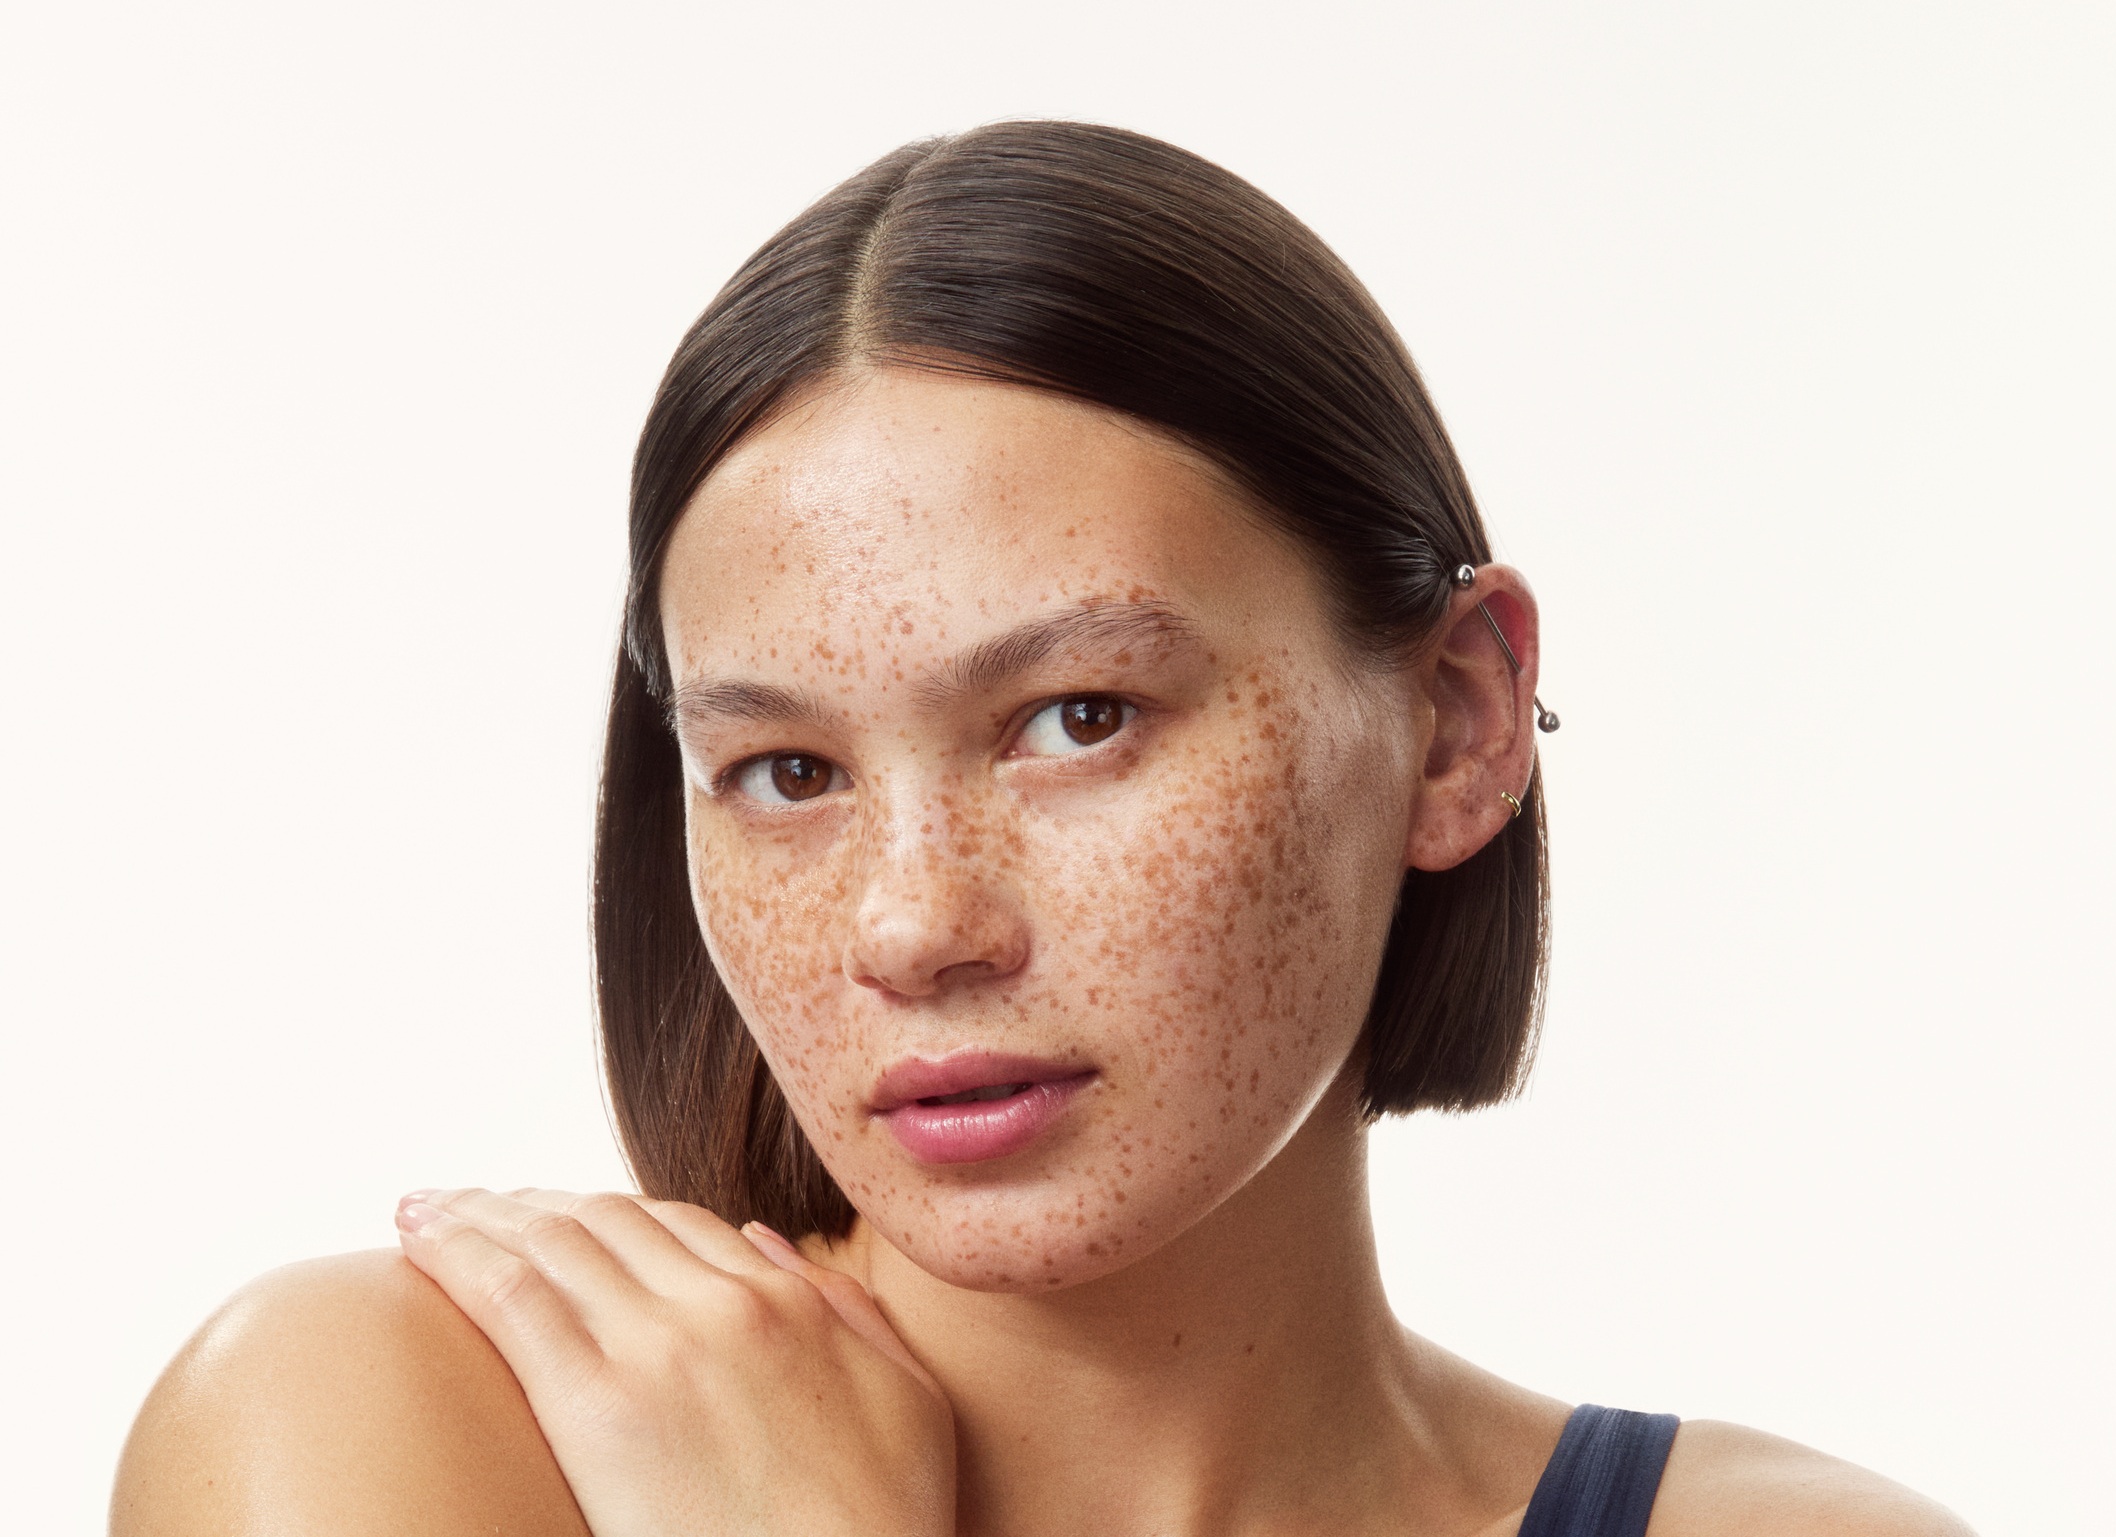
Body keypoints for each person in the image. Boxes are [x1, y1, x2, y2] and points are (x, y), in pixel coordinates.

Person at [112, 120, 1971, 1537]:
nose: (914, 925)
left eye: (1078, 719)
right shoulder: (386, 1434)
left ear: (1457, 723)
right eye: (788, 771)